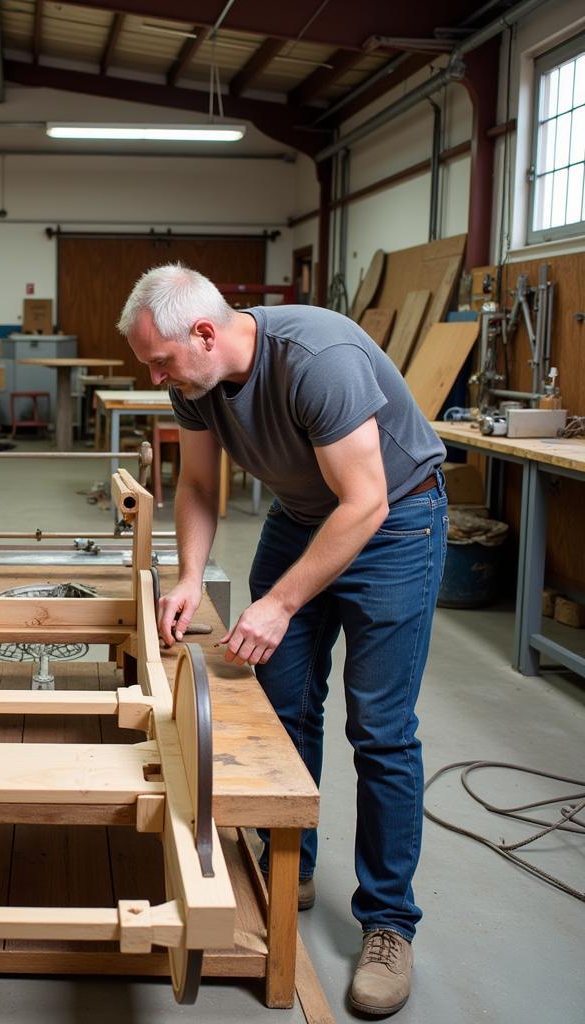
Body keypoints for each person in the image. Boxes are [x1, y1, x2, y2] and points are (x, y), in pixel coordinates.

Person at [117, 264, 447, 1018]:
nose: (156, 375)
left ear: (204, 332)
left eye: (161, 360)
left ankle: (389, 922)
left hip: (393, 523)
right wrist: (191, 577)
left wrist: (280, 602)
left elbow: (364, 502)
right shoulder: (193, 383)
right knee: (282, 701)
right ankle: (287, 859)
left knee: (382, 729)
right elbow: (198, 488)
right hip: (302, 516)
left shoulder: (316, 359)